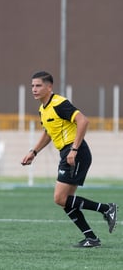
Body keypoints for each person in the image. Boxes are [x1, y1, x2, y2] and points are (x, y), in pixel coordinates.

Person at [21, 71, 118, 248]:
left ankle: (107, 208)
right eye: (32, 86)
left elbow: (83, 121)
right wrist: (33, 152)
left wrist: (73, 149)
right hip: (68, 153)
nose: (34, 89)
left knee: (59, 198)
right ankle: (91, 238)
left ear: (49, 87)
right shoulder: (43, 109)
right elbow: (48, 133)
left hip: (75, 152)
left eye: (38, 85)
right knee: (65, 199)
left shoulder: (59, 103)